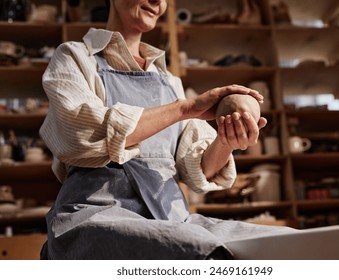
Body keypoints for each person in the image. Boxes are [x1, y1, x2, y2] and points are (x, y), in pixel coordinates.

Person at [39, 0, 296, 260]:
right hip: (97, 215)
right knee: (199, 250)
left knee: (289, 244)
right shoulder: (74, 57)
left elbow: (199, 168)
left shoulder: (168, 81)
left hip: (172, 218)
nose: (157, 2)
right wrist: (185, 109)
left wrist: (226, 139)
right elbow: (82, 131)